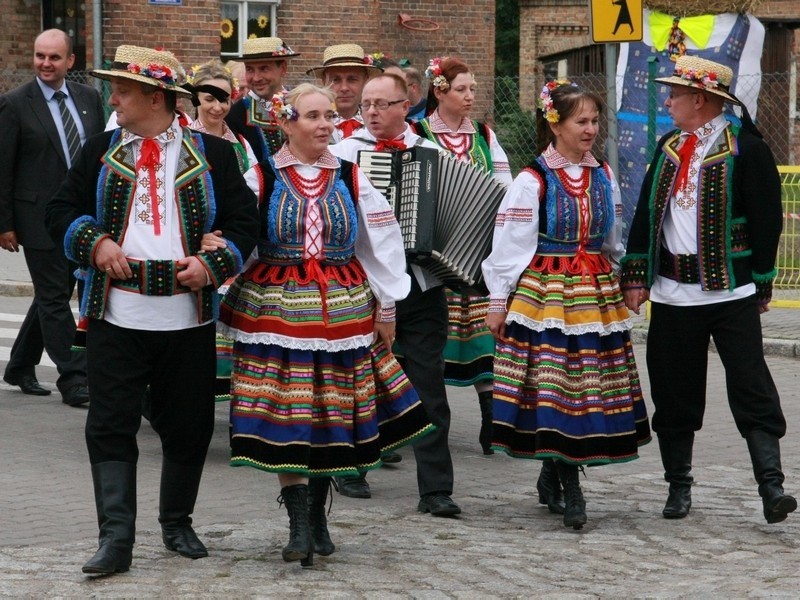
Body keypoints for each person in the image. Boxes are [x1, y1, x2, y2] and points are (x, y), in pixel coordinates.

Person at [45, 44, 259, 575]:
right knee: (110, 423)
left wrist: (216, 263)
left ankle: (177, 522)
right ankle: (115, 538)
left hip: (187, 316)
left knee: (188, 425)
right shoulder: (100, 148)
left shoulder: (214, 153)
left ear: (156, 97)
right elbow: (60, 209)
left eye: (122, 90)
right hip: (117, 312)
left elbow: (244, 224)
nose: (112, 98)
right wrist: (94, 243)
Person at [218, 83, 434, 567]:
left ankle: (318, 514)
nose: (325, 125)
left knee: (330, 415)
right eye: (313, 116)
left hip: (342, 311)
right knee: (291, 417)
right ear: (285, 122)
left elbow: (380, 246)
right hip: (276, 312)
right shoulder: (262, 177)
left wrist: (388, 306)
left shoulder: (352, 177)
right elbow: (241, 241)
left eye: (330, 116)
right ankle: (297, 522)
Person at [621, 55, 796, 524]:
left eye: (675, 93)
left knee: (750, 384)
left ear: (700, 99)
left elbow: (766, 217)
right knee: (675, 391)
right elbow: (645, 213)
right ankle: (679, 487)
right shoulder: (669, 145)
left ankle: (771, 485)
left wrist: (761, 278)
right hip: (675, 295)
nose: (669, 100)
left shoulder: (745, 148)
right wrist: (637, 274)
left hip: (730, 293)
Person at [483, 79, 651, 529]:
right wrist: (498, 301)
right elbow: (509, 246)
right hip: (548, 294)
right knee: (557, 388)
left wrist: (624, 281)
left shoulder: (603, 174)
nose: (591, 129)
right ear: (555, 124)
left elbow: (612, 238)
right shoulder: (531, 179)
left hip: (594, 294)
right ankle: (570, 486)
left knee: (587, 388)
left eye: (595, 120)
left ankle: (554, 471)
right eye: (582, 121)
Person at [329, 73, 462, 516]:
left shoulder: (434, 154)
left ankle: (436, 489)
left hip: (421, 284)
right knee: (358, 379)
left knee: (429, 384)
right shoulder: (344, 154)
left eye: (382, 104)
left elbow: (457, 218)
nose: (371, 112)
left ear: (407, 106)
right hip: (361, 285)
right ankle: (351, 468)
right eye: (367, 104)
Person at [411, 56, 512, 455]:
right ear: (439, 92)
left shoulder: (485, 136)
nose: (470, 96)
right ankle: (424, 420)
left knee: (482, 337)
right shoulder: (416, 133)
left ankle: (491, 420)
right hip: (431, 254)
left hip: (475, 251)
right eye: (461, 89)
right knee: (429, 343)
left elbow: (504, 186)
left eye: (472, 89)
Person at [0, 29, 104, 405]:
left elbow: (95, 157)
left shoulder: (90, 98)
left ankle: (19, 365)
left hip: (79, 216)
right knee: (56, 298)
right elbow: (3, 167)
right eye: (40, 56)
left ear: (70, 61)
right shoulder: (14, 104)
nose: (45, 63)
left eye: (54, 57)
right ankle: (74, 379)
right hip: (36, 218)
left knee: (51, 295)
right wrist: (4, 223)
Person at [186, 58, 258, 401]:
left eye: (224, 99)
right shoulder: (182, 139)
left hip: (225, 244)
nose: (217, 106)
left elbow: (250, 198)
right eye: (209, 98)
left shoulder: (240, 144)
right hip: (189, 245)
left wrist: (229, 236)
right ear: (194, 98)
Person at [225, 36, 299, 163]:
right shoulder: (234, 116)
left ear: (283, 68)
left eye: (264, 68)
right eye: (250, 69)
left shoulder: (301, 105)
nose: (256, 78)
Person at [307, 43, 381, 143]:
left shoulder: (378, 122)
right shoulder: (308, 124)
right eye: (336, 80)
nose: (344, 88)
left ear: (365, 80)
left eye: (352, 79)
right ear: (324, 81)